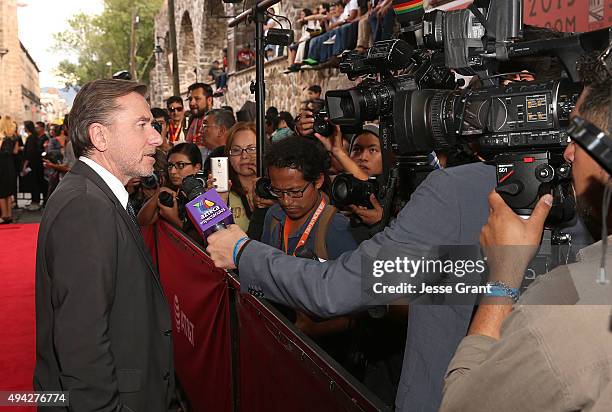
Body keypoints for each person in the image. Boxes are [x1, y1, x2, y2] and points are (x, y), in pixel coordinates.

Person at [206, 46, 586, 412]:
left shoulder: (456, 193)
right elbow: (454, 275)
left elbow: (332, 290)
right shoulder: (592, 188)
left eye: (480, 90)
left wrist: (242, 251)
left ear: (519, 95)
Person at [440, 52, 612, 412]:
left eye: (577, 135)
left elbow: (461, 406)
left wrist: (504, 274)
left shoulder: (562, 311)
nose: (566, 153)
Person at [34, 79, 174, 411]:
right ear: (100, 136)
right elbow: (82, 348)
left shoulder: (95, 194)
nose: (157, 137)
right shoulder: (86, 207)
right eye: (142, 125)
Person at [138, 142, 202, 231]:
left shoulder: (204, 194)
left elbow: (207, 239)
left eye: (180, 165)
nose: (172, 171)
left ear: (197, 168)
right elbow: (142, 221)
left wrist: (175, 220)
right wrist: (158, 194)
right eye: (170, 166)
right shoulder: (169, 193)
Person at [186, 82, 214, 160]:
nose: (192, 102)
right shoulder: (192, 119)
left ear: (209, 100)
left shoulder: (218, 120)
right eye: (190, 99)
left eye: (197, 99)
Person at [22, 120, 46, 211]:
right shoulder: (33, 137)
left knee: (34, 183)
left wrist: (25, 165)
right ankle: (34, 202)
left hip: (32, 165)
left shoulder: (31, 138)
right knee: (34, 183)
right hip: (34, 164)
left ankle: (35, 202)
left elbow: (29, 154)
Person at [0, 116, 19, 223]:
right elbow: (15, 152)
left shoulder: (2, 137)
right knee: (8, 191)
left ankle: (3, 215)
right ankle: (9, 215)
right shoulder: (14, 137)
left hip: (1, 165)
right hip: (10, 165)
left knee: (1, 192)